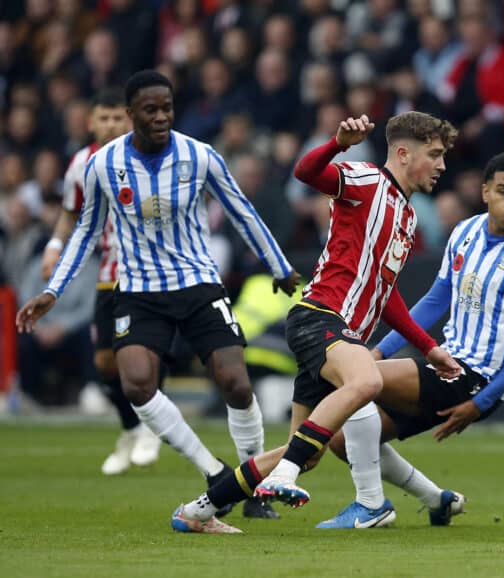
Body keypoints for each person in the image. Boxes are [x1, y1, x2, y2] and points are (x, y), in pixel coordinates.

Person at [170, 151, 504, 533]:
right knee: (329, 442)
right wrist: (379, 351)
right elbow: (434, 300)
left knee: (355, 387)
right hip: (441, 361)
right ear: (486, 191)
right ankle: (203, 508)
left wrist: (481, 402)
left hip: (473, 375)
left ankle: (371, 504)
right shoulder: (466, 232)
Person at [17, 70, 302, 519]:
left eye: (167, 108)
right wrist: (53, 291)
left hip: (197, 284)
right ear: (131, 115)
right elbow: (86, 230)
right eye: (150, 110)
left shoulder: (200, 156)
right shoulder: (104, 165)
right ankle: (214, 473)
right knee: (135, 383)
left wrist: (280, 267)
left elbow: (242, 213)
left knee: (236, 382)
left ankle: (255, 483)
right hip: (138, 291)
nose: (161, 117)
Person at [169, 110, 463, 533]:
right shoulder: (365, 180)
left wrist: (428, 346)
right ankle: (285, 477)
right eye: (434, 155)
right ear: (402, 153)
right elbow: (306, 171)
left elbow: (386, 296)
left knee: (304, 451)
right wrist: (338, 143)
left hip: (340, 334)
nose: (442, 165)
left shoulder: (407, 217)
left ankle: (198, 511)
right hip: (320, 317)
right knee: (368, 382)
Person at [39, 87, 162, 475]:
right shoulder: (81, 162)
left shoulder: (146, 156)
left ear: (129, 119)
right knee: (105, 362)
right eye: (102, 118)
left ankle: (152, 429)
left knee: (146, 356)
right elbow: (70, 212)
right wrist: (55, 246)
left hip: (152, 272)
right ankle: (131, 429)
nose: (110, 125)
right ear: (90, 122)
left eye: (116, 118)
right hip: (109, 274)